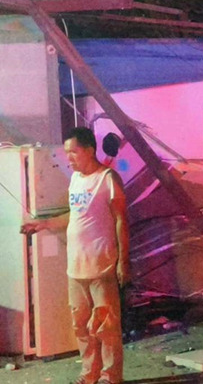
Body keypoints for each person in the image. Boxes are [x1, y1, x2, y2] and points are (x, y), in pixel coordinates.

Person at [21, 127, 129, 384]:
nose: (68, 158)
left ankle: (110, 377)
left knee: (106, 325)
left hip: (101, 264)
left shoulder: (107, 178)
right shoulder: (76, 180)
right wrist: (43, 224)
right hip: (76, 266)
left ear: (89, 151)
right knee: (80, 325)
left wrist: (123, 261)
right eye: (67, 152)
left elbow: (121, 220)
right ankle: (89, 374)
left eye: (73, 152)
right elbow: (77, 215)